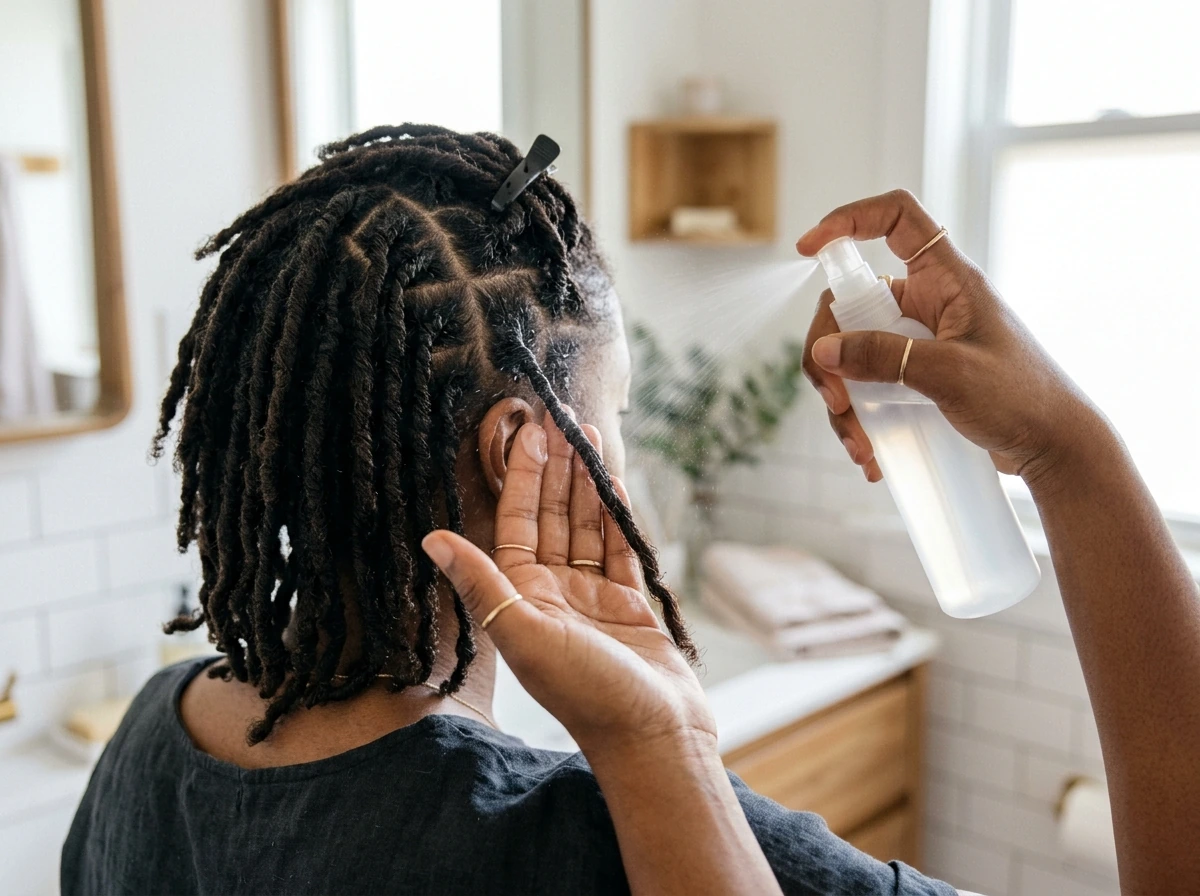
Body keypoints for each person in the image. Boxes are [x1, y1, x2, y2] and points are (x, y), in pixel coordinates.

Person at [60, 127, 956, 896]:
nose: (625, 452)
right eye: (620, 412)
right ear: (514, 447)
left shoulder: (148, 737)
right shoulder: (632, 834)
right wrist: (665, 742)